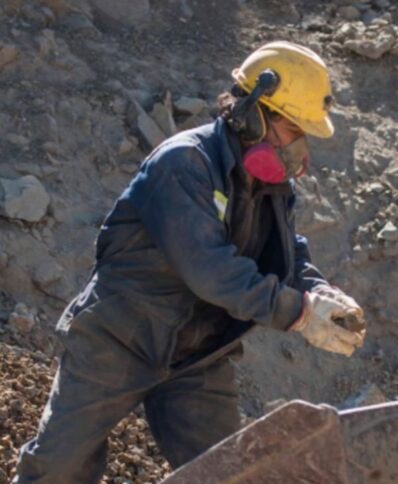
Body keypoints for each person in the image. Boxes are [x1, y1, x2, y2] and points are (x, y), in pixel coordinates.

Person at [14, 41, 366, 483]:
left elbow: (284, 252)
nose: (300, 149)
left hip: (197, 354)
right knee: (57, 469)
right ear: (254, 114)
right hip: (120, 340)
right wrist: (299, 313)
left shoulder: (270, 185)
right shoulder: (184, 163)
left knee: (230, 474)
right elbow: (210, 269)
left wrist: (320, 293)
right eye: (293, 129)